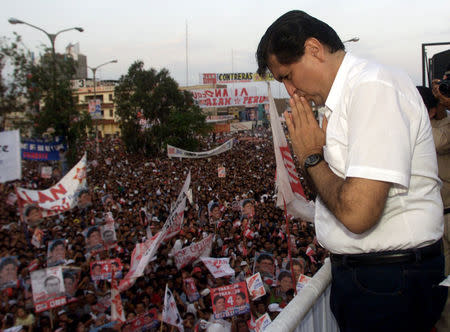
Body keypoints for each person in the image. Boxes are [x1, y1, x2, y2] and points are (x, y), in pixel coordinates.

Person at [256, 10, 447, 332]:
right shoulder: (344, 100)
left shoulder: (372, 88)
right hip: (374, 278)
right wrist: (314, 157)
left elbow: (358, 214)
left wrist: (311, 155)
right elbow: (333, 192)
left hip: (387, 281)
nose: (290, 91)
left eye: (287, 75)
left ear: (314, 49)